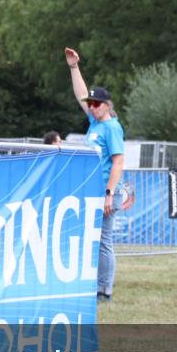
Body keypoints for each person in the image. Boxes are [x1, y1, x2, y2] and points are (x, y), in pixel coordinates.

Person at [64, 47, 125, 302]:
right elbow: (81, 95)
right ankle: (95, 286)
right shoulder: (95, 123)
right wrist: (74, 67)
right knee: (94, 240)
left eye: (96, 103)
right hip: (94, 192)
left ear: (107, 105)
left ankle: (104, 291)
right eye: (91, 104)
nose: (92, 107)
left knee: (103, 242)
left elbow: (118, 161)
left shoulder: (111, 127)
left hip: (106, 193)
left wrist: (109, 194)